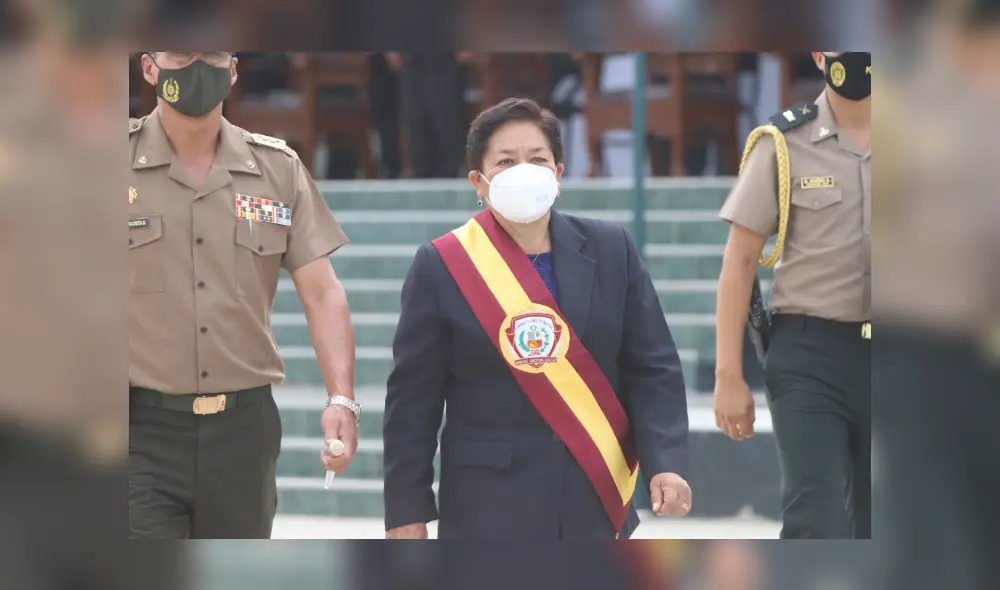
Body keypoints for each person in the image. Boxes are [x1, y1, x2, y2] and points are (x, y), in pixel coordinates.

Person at [382, 97, 691, 540]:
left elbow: (653, 366)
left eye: (537, 159)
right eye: (506, 161)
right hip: (488, 505)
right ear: (479, 181)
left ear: (559, 174)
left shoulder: (611, 250)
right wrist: (406, 512)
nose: (523, 171)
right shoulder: (443, 264)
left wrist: (667, 463)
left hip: (594, 496)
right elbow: (412, 402)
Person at [129, 52, 359, 539]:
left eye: (210, 55)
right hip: (137, 432)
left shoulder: (277, 169)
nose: (195, 66)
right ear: (150, 69)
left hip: (243, 433)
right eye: (180, 54)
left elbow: (322, 293)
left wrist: (342, 398)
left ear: (233, 71)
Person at [714, 52, 871, 539]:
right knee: (815, 521)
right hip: (810, 355)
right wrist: (728, 375)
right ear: (819, 54)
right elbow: (739, 260)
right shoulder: (782, 144)